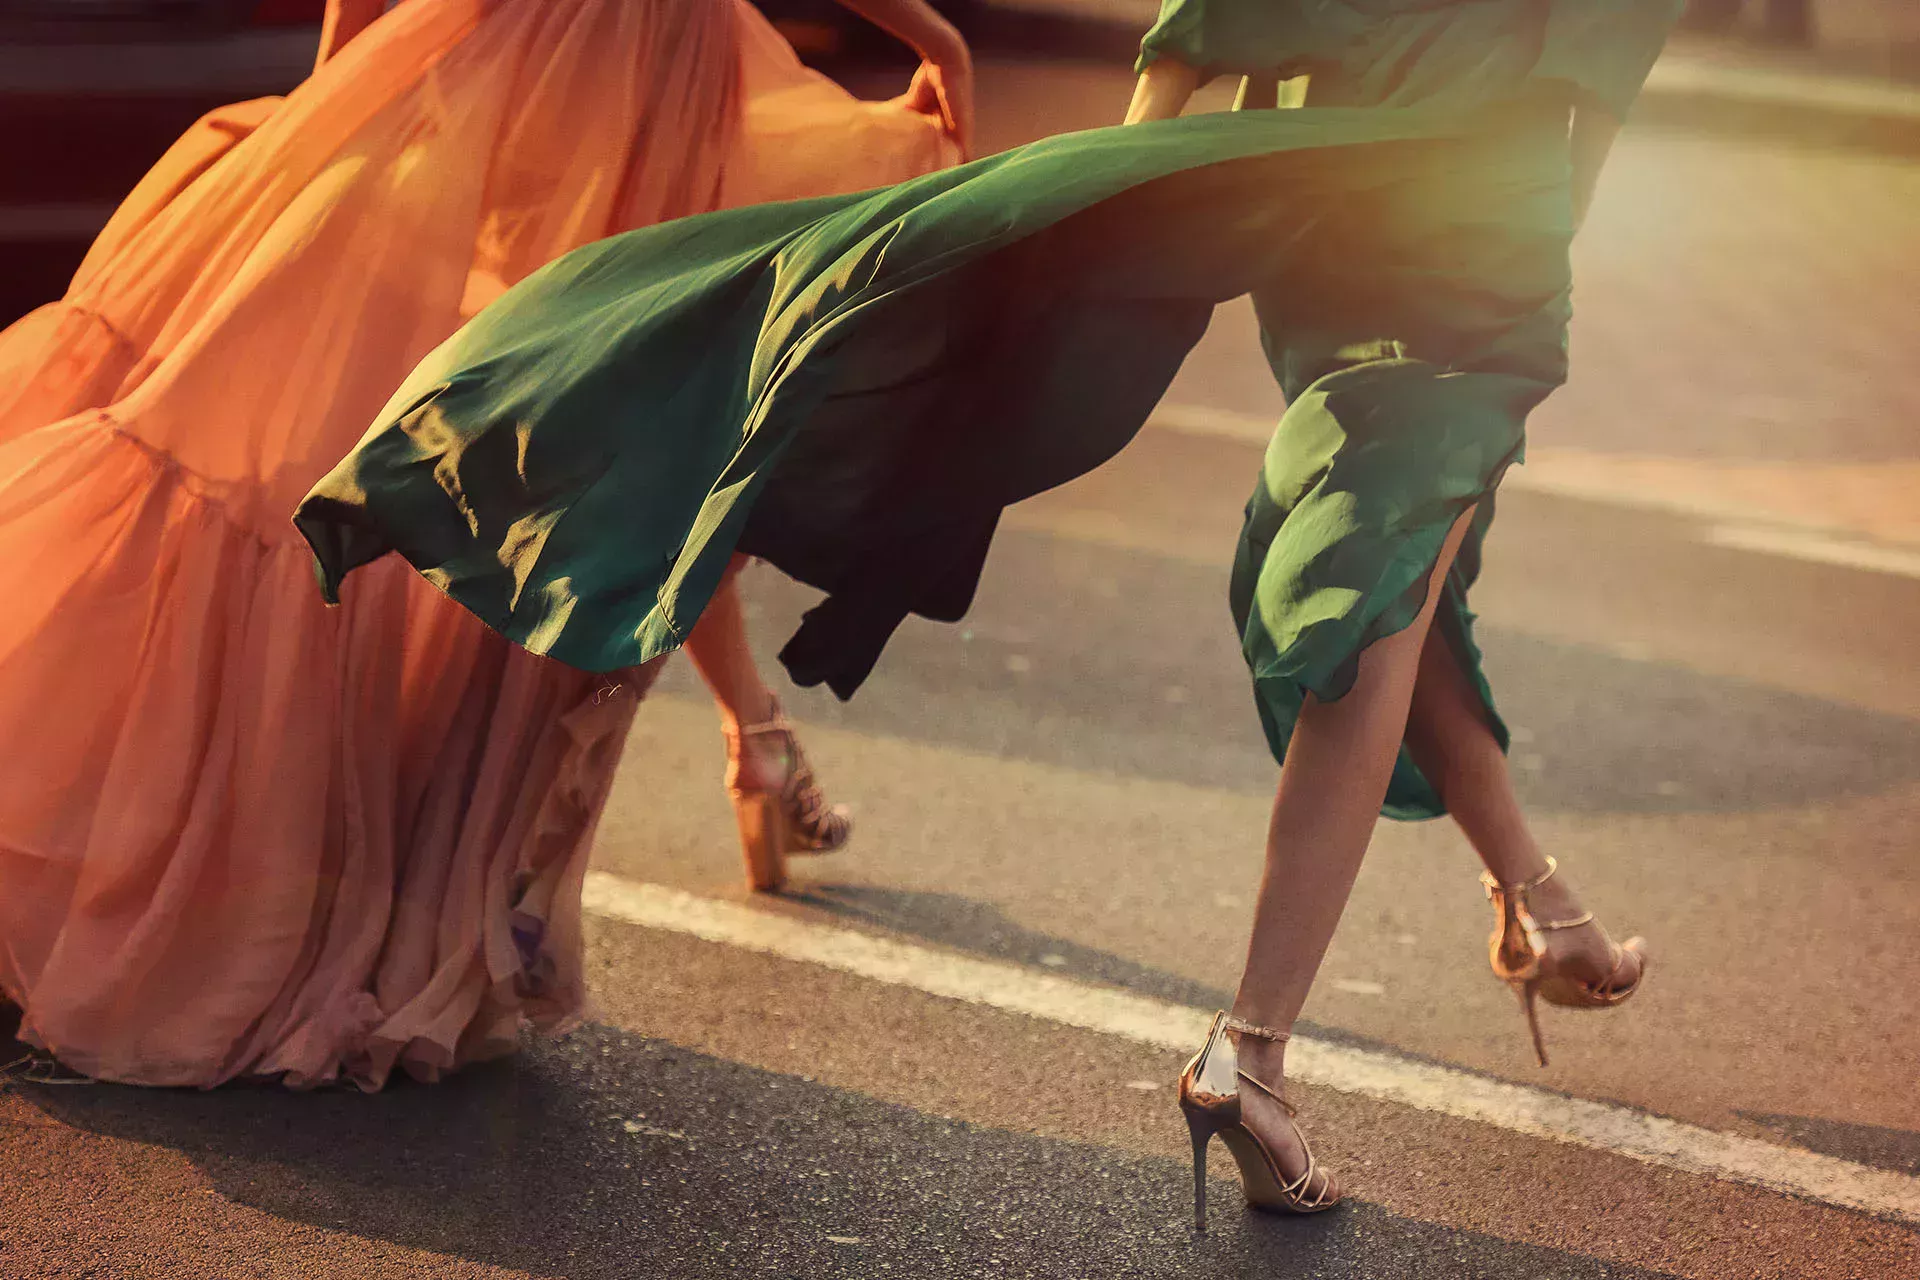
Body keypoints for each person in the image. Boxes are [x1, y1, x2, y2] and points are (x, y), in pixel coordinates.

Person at [297, 0, 1675, 1213]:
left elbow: (1204, 30)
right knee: (1378, 591)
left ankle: (1539, 904)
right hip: (1478, 234)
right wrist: (1525, 248)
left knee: (1404, 568)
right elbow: (1591, 96)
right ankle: (1251, 1055)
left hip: (1329, 227)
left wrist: (1107, 191)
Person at [0, 0, 969, 1089]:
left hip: (525, 55)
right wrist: (933, 39)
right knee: (606, 447)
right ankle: (455, 885)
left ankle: (731, 744)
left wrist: (339, 93)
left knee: (546, 445)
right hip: (642, 77)